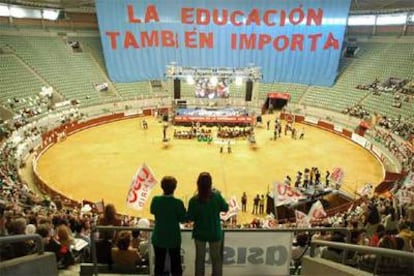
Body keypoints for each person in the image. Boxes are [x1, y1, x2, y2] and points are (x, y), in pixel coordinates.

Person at [187, 172, 229, 276]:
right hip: (214, 232)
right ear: (210, 184)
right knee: (216, 260)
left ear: (198, 184)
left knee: (199, 259)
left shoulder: (194, 200)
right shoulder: (217, 196)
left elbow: (190, 217)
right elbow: (225, 208)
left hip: (200, 233)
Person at [150, 176, 187, 276]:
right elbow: (183, 219)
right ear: (174, 188)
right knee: (176, 266)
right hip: (173, 238)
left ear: (162, 187)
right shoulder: (178, 203)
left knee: (159, 265)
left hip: (159, 237)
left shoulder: (156, 200)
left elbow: (152, 210)